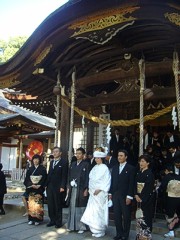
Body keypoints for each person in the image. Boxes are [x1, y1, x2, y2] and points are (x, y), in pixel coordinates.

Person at [81, 150, 111, 238]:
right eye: (96, 158)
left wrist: (100, 189)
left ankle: (100, 229)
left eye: (98, 158)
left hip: (100, 193)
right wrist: (90, 189)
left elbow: (107, 181)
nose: (97, 160)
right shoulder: (94, 167)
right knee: (93, 211)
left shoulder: (105, 168)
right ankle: (94, 228)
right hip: (93, 193)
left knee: (99, 211)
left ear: (102, 159)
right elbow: (90, 179)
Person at [109, 149, 135, 240]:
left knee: (126, 216)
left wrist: (130, 196)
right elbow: (112, 182)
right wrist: (110, 193)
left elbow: (132, 183)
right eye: (118, 155)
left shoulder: (131, 168)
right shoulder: (115, 167)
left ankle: (125, 235)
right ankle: (119, 233)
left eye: (121, 155)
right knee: (117, 215)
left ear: (126, 157)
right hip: (115, 195)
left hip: (125, 196)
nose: (119, 157)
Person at [66, 147, 90, 233]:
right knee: (72, 206)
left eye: (80, 153)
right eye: (77, 153)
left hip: (81, 188)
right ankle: (71, 225)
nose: (78, 155)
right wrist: (69, 185)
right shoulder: (72, 164)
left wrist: (86, 188)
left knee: (81, 207)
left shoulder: (86, 164)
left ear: (83, 155)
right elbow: (69, 175)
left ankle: (81, 226)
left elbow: (87, 177)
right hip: (73, 188)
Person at [46, 147, 68, 228]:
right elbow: (49, 174)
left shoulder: (64, 162)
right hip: (50, 186)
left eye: (56, 151)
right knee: (50, 204)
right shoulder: (51, 162)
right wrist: (46, 184)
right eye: (53, 152)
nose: (55, 153)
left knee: (57, 204)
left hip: (58, 187)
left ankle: (58, 222)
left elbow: (64, 175)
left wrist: (62, 186)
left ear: (60, 153)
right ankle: (52, 220)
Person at [134, 155, 155, 239]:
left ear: (148, 163)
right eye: (140, 161)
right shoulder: (139, 173)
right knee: (139, 218)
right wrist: (135, 194)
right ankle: (139, 236)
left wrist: (141, 197)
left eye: (143, 161)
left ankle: (145, 237)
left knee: (146, 218)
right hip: (138, 197)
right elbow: (134, 185)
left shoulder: (149, 174)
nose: (141, 163)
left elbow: (148, 188)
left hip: (146, 199)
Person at [24, 154, 47, 225]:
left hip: (39, 189)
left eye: (37, 159)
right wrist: (31, 185)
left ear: (39, 160)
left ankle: (38, 219)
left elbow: (45, 178)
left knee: (38, 205)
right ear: (32, 160)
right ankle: (31, 219)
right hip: (32, 188)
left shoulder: (42, 169)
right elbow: (27, 179)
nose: (35, 160)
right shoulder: (30, 169)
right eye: (34, 159)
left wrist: (39, 185)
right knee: (31, 204)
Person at [158, 164, 180, 238]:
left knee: (170, 215)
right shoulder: (177, 177)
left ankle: (171, 231)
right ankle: (175, 224)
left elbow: (162, 188)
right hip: (178, 198)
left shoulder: (167, 177)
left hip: (170, 199)